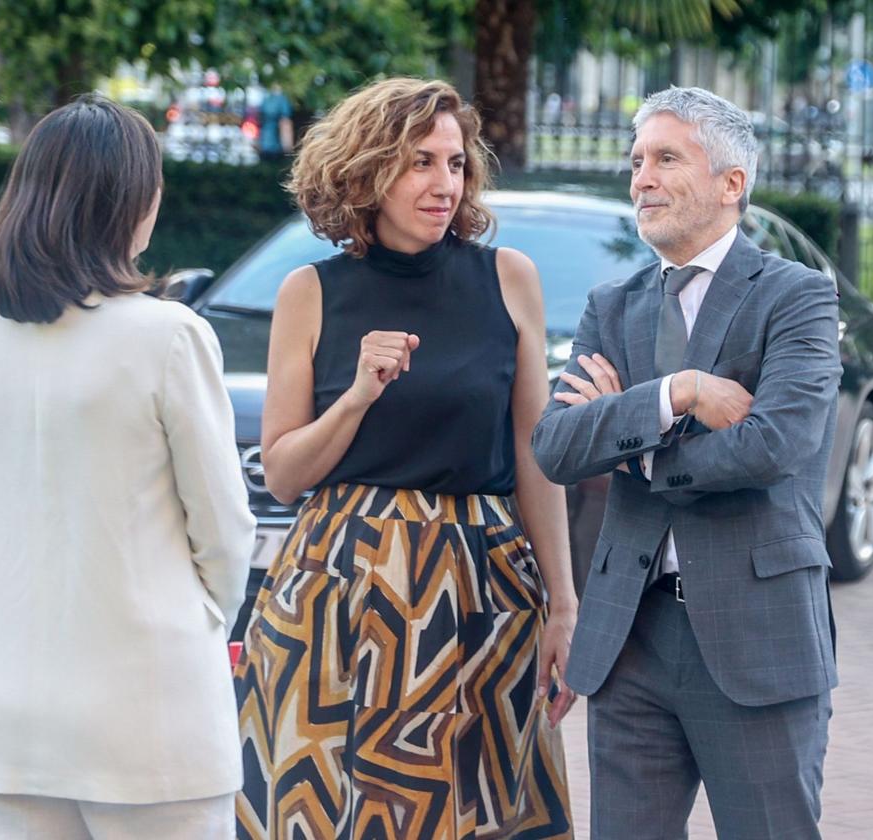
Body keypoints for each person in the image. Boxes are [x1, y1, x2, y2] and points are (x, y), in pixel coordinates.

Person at [234, 78, 576, 838]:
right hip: (341, 596)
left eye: (455, 164)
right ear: (367, 171)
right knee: (333, 815)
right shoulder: (311, 293)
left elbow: (534, 451)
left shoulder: (508, 278)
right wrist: (355, 397)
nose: (443, 183)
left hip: (484, 589)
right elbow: (285, 474)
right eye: (421, 162)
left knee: (485, 807)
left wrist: (564, 602)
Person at [0, 94, 256, 839]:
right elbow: (224, 531)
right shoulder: (169, 335)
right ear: (130, 204)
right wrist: (198, 620)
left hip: (5, 712)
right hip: (154, 716)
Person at [532, 86, 841, 839]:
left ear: (732, 183)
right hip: (629, 642)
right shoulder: (613, 305)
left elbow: (775, 443)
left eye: (667, 158)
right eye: (637, 161)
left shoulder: (796, 298)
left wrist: (632, 447)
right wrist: (678, 393)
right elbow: (556, 448)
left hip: (756, 638)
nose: (642, 177)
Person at [258, 83, 294, 161]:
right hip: (275, 142)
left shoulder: (266, 99)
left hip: (268, 139)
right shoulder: (281, 99)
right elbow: (286, 119)